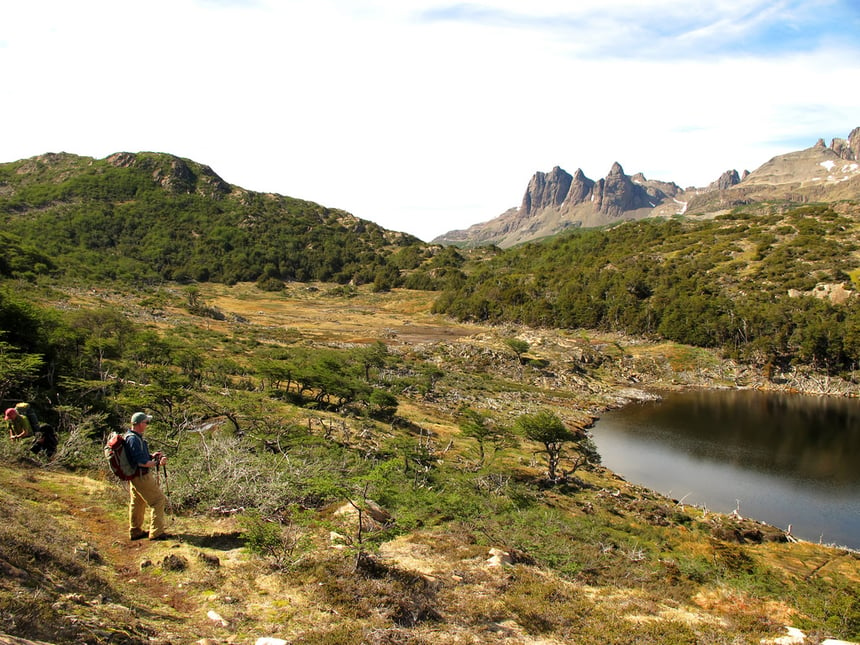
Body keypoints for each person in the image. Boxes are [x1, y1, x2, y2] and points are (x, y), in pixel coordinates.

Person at [124, 412, 170, 541]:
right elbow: (140, 462)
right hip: (141, 476)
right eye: (146, 423)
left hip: (134, 476)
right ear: (139, 424)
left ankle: (135, 531)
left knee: (137, 502)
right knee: (158, 500)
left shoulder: (131, 437)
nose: (147, 425)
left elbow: (139, 457)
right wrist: (157, 463)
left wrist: (152, 456)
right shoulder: (133, 439)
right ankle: (157, 533)